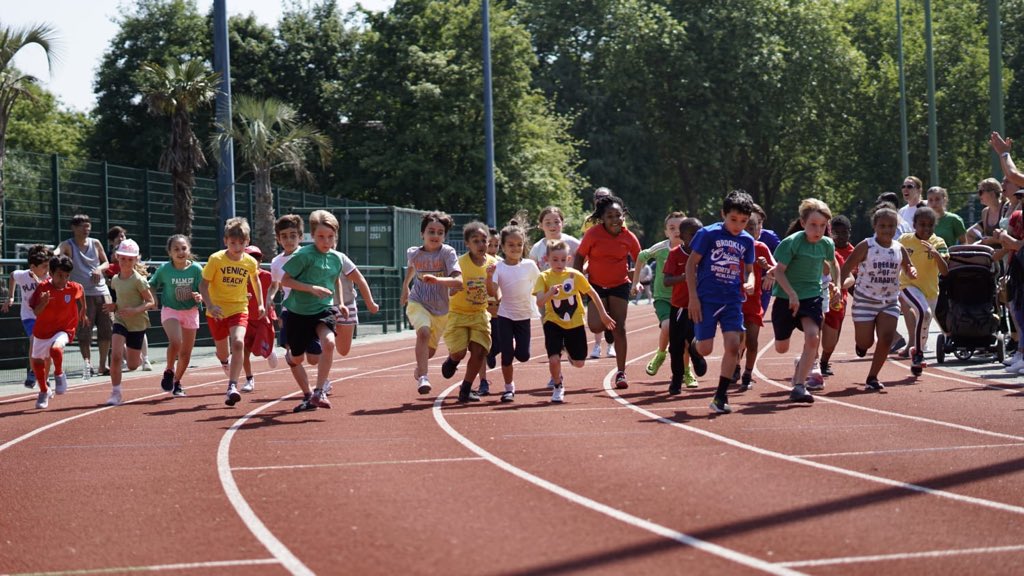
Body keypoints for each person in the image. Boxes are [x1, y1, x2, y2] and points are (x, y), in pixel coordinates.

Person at [686, 190, 757, 414]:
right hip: (706, 299)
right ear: (723, 214)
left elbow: (749, 270)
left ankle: (720, 395)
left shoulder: (746, 240)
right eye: (733, 219)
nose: (738, 225)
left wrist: (750, 281)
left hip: (732, 300)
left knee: (734, 345)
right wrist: (693, 298)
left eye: (744, 221)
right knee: (706, 349)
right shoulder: (708, 234)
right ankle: (694, 348)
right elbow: (690, 265)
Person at [841, 205, 917, 391]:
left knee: (886, 337)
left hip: (889, 301)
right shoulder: (866, 245)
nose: (887, 230)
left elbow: (909, 266)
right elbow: (847, 266)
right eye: (882, 226)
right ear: (875, 226)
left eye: (891, 226)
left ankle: (873, 377)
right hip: (865, 300)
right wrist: (838, 286)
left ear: (896, 227)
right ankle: (861, 346)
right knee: (865, 342)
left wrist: (911, 270)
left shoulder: (899, 248)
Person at [769, 199, 838, 403]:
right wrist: (791, 293)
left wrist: (836, 284)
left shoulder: (827, 244)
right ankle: (801, 362)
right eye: (813, 225)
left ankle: (799, 386)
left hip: (811, 297)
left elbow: (834, 264)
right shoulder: (791, 243)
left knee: (812, 337)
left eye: (823, 226)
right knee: (781, 347)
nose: (818, 230)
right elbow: (779, 272)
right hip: (785, 299)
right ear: (802, 222)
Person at [281, 210, 348, 412]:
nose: (326, 241)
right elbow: (285, 280)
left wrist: (340, 302)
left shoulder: (337, 258)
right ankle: (291, 356)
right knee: (298, 359)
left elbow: (335, 278)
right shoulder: (304, 255)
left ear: (336, 237)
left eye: (330, 237)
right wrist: (311, 288)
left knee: (329, 342)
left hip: (323, 309)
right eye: (321, 237)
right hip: (298, 313)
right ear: (312, 235)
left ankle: (319, 392)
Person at [535, 239, 615, 402]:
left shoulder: (574, 275)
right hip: (553, 322)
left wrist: (603, 315)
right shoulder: (543, 277)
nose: (559, 263)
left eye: (563, 260)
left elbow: (592, 293)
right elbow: (539, 302)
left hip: (575, 322)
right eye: (555, 260)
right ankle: (558, 385)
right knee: (554, 359)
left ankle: (568, 351)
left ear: (569, 259)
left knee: (579, 363)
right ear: (547, 259)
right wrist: (549, 293)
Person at [575, 193, 641, 389]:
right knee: (595, 326)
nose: (615, 220)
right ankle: (607, 330)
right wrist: (578, 281)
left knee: (619, 327)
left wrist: (636, 282)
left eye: (618, 216)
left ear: (624, 216)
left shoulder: (629, 237)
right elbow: (579, 256)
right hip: (596, 284)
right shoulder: (593, 234)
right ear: (602, 218)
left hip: (620, 284)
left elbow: (640, 258)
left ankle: (621, 373)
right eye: (610, 216)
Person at [199, 217, 265, 407]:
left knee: (238, 342)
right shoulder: (216, 259)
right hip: (217, 311)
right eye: (233, 242)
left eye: (241, 243)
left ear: (247, 242)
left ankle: (232, 386)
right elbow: (203, 285)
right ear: (225, 241)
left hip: (238, 308)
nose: (237, 247)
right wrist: (210, 305)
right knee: (222, 351)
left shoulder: (250, 262)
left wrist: (260, 304)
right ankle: (223, 361)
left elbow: (256, 280)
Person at [400, 211, 462, 395]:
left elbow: (458, 280)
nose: (435, 236)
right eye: (431, 231)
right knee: (423, 332)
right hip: (418, 301)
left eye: (440, 232)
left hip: (441, 309)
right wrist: (405, 287)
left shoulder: (447, 253)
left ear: (444, 235)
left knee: (430, 351)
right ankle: (424, 378)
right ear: (422, 233)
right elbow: (412, 268)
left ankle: (421, 368)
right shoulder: (414, 253)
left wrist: (439, 281)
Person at [438, 222, 500, 403]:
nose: (481, 245)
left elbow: (492, 293)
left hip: (480, 313)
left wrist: (490, 279)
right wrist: (452, 289)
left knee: (480, 352)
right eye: (476, 241)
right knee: (460, 352)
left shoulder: (493, 263)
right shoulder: (460, 263)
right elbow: (449, 283)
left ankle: (465, 389)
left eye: (484, 241)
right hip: (458, 313)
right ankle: (452, 360)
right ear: (467, 244)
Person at [486, 219, 540, 402]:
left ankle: (512, 352)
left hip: (524, 315)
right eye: (511, 245)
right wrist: (488, 276)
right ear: (502, 246)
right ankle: (508, 388)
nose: (515, 248)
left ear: (523, 245)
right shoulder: (498, 267)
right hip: (505, 315)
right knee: (507, 354)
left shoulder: (530, 266)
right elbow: (491, 292)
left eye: (519, 244)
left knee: (523, 356)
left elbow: (541, 284)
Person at [57, 214, 113, 379]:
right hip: (82, 295)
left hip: (102, 292)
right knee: (84, 331)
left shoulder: (95, 243)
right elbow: (57, 252)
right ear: (73, 228)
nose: (86, 229)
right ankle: (87, 364)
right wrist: (50, 255)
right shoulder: (68, 245)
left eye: (88, 226)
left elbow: (106, 262)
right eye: (82, 226)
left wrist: (99, 269)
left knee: (107, 329)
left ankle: (103, 364)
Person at [102, 239, 155, 406]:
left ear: (136, 260)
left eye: (130, 259)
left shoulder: (138, 280)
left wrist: (135, 310)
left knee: (132, 366)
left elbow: (151, 302)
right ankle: (116, 392)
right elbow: (121, 300)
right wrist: (114, 306)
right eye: (123, 258)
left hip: (137, 323)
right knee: (116, 356)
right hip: (120, 320)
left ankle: (137, 357)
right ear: (117, 257)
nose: (126, 262)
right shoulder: (115, 280)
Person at [268, 215, 323, 374]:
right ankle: (308, 391)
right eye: (284, 236)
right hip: (290, 311)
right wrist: (269, 299)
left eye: (293, 235)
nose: (289, 240)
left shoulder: (309, 255)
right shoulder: (276, 262)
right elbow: (274, 285)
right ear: (278, 239)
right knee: (292, 353)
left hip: (311, 309)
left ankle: (323, 379)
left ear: (300, 237)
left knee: (314, 358)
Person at [28, 255, 86, 409]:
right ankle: (43, 391)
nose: (64, 279)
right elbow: (36, 312)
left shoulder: (72, 287)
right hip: (43, 331)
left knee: (56, 349)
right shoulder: (42, 289)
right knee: (37, 362)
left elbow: (81, 291)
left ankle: (59, 374)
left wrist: (83, 311)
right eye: (60, 275)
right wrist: (44, 302)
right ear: (51, 274)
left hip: (64, 329)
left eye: (67, 275)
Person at [632, 212, 685, 377]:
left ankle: (685, 370)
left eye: (681, 228)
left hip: (684, 298)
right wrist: (636, 282)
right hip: (663, 298)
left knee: (685, 337)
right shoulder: (662, 248)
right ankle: (661, 354)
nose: (677, 231)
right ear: (666, 232)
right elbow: (641, 256)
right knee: (668, 327)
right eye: (672, 228)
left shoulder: (692, 248)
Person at [150, 234, 203, 397]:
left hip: (190, 311)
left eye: (183, 248)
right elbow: (151, 284)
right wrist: (154, 299)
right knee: (176, 341)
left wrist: (199, 296)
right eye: (176, 249)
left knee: (186, 354)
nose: (180, 252)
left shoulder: (196, 269)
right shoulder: (165, 269)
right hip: (170, 310)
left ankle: (177, 382)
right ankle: (168, 369)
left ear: (189, 250)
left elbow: (203, 289)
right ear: (170, 252)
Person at [897, 207, 948, 376]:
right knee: (924, 312)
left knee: (924, 324)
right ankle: (919, 355)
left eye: (930, 225)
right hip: (908, 285)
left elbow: (945, 271)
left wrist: (936, 255)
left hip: (931, 291)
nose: (926, 229)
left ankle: (916, 351)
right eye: (922, 224)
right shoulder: (905, 240)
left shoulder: (938, 242)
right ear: (914, 225)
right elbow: (895, 257)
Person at [735, 206, 776, 392]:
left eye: (757, 226)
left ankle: (747, 374)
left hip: (753, 303)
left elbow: (776, 270)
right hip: (733, 302)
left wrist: (767, 269)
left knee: (751, 340)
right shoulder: (733, 245)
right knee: (735, 340)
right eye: (749, 227)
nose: (754, 231)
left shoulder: (761, 247)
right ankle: (734, 367)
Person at [662, 217, 706, 394]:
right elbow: (666, 281)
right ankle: (677, 380)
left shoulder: (706, 253)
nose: (698, 238)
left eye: (700, 234)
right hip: (680, 306)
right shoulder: (674, 254)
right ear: (682, 236)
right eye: (693, 234)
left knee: (696, 340)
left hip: (701, 306)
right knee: (676, 346)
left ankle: (696, 355)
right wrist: (685, 277)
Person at [3, 245, 52, 388]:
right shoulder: (23, 275)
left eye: (47, 266)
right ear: (33, 266)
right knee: (34, 339)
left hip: (45, 316)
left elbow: (46, 290)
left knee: (47, 348)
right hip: (28, 316)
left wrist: (37, 279)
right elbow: (12, 276)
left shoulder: (48, 279)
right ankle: (33, 371)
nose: (46, 269)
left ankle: (45, 377)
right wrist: (10, 297)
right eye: (44, 266)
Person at [580, 188, 617, 358]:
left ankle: (611, 345)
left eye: (605, 197)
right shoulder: (589, 221)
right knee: (596, 307)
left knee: (612, 309)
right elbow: (584, 245)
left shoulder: (617, 217)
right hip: (595, 269)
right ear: (594, 200)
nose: (601, 199)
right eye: (598, 197)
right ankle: (597, 345)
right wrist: (584, 266)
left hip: (614, 269)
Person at [819, 216, 855, 376]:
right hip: (819, 295)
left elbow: (852, 279)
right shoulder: (826, 248)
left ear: (849, 233)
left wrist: (840, 286)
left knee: (834, 335)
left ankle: (824, 361)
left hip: (838, 299)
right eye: (836, 232)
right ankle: (812, 360)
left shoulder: (852, 252)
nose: (840, 235)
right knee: (815, 327)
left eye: (843, 232)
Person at [240, 245, 278, 393]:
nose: (254, 261)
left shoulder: (267, 276)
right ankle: (249, 379)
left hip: (262, 319)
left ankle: (269, 350)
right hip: (245, 319)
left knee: (259, 351)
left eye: (257, 258)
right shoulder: (239, 277)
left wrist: (270, 303)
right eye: (250, 257)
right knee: (244, 350)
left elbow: (276, 287)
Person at [477, 227, 502, 392]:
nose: (492, 249)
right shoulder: (478, 262)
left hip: (500, 313)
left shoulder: (501, 263)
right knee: (480, 348)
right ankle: (483, 382)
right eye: (489, 244)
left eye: (496, 245)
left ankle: (492, 353)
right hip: (481, 311)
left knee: (498, 345)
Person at [529, 206, 581, 271]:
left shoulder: (572, 242)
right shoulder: (537, 248)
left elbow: (587, 259)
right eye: (548, 223)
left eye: (556, 222)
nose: (553, 225)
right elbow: (531, 270)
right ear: (541, 225)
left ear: (562, 223)